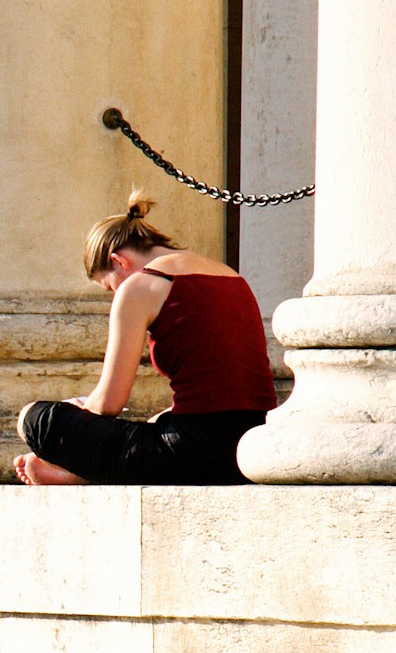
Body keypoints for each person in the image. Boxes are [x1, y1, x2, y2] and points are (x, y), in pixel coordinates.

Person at [14, 194, 278, 487]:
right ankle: (81, 471)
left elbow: (108, 404)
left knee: (35, 419)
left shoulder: (141, 286)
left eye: (110, 286)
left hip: (193, 454)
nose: (116, 294)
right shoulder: (230, 276)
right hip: (251, 446)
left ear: (118, 261)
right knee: (157, 422)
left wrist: (78, 430)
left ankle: (77, 468)